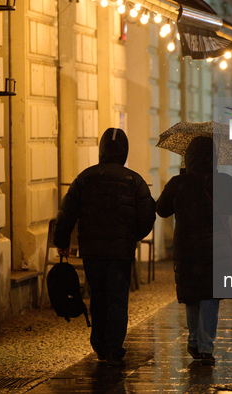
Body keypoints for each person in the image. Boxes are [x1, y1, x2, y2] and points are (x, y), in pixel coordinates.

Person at [54, 128, 156, 366]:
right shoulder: (135, 180)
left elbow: (66, 211)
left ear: (101, 150)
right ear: (124, 151)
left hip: (93, 251)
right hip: (121, 253)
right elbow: (147, 215)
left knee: (98, 296)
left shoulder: (85, 178)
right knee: (118, 298)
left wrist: (62, 241)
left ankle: (99, 343)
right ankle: (113, 346)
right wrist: (133, 236)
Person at [156, 136, 232, 365]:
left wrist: (183, 179)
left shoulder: (180, 182)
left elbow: (162, 209)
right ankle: (205, 347)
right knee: (210, 297)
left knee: (192, 296)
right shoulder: (224, 181)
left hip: (188, 249)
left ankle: (195, 340)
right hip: (217, 250)